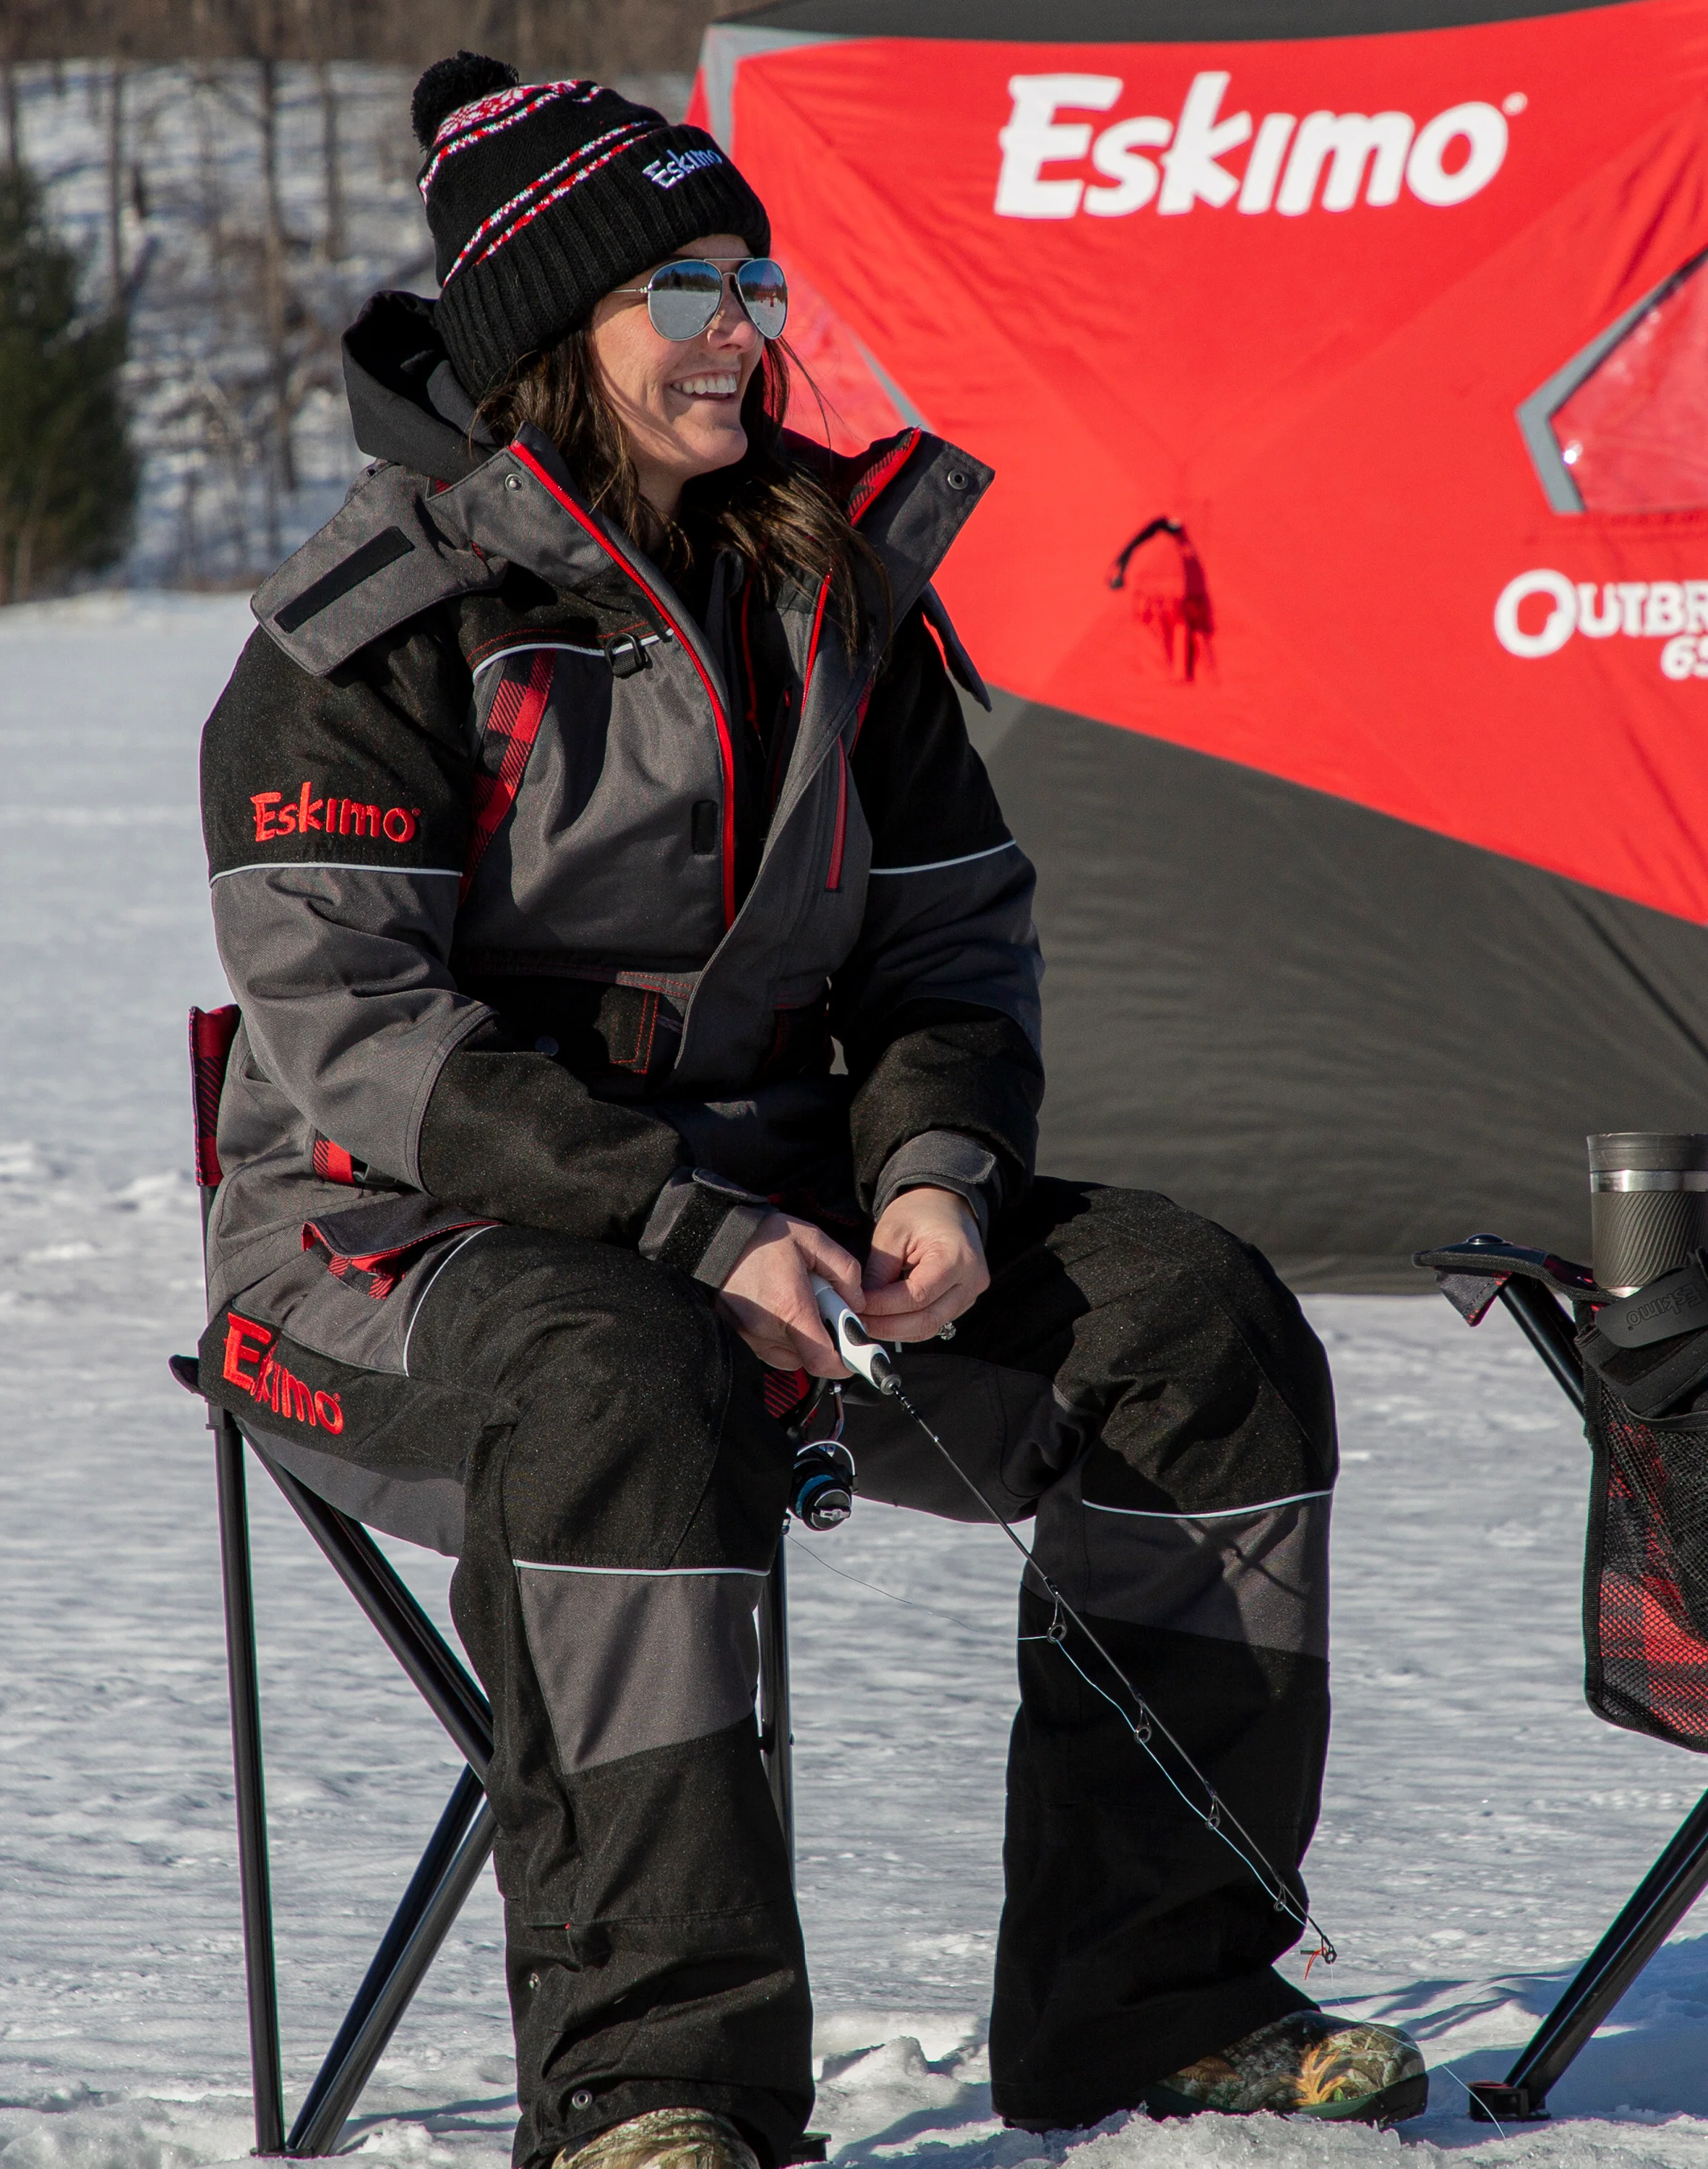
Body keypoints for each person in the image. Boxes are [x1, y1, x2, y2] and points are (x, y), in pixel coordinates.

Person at [194, 51, 1424, 2169]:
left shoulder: (839, 596)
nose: (743, 330)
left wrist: (934, 1179)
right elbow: (361, 1041)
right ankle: (661, 2088)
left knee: (1195, 1329)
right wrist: (691, 1227)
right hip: (387, 1253)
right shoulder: (369, 639)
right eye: (683, 287)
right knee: (622, 1376)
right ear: (551, 339)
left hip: (782, 1225)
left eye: (753, 280)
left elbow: (949, 960)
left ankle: (1159, 1991)